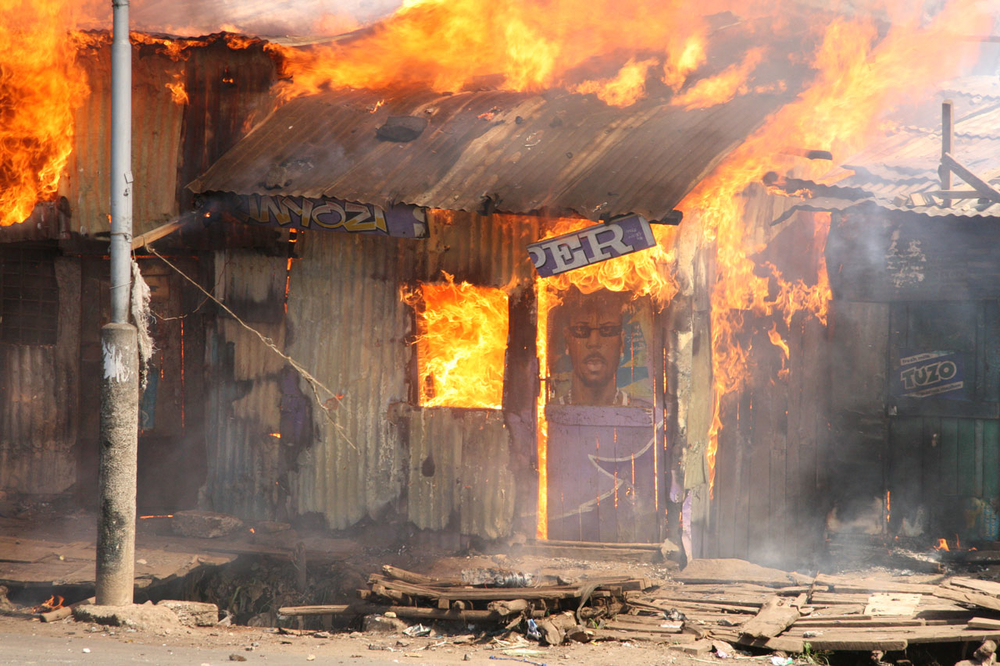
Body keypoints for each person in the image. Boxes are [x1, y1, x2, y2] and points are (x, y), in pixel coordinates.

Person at [559, 289, 633, 406]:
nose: (594, 343)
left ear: (621, 342)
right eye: (581, 330)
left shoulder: (641, 411)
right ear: (567, 341)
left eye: (607, 329)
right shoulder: (544, 414)